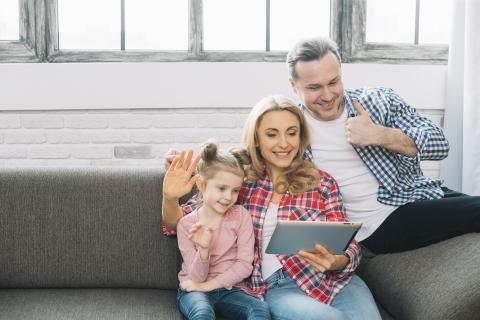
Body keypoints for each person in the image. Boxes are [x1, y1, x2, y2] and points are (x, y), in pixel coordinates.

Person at [163, 96, 382, 320]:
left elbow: (349, 243)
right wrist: (170, 198)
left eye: (291, 132)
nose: (284, 143)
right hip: (279, 287)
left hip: (338, 282)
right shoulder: (241, 182)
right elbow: (182, 222)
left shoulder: (322, 182)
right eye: (272, 134)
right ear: (257, 139)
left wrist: (337, 261)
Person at [285, 36, 480, 253]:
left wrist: (379, 135)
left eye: (333, 82)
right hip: (378, 224)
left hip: (417, 194)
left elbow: (439, 144)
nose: (328, 95)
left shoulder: (375, 100)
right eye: (314, 88)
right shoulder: (289, 130)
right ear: (294, 86)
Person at [164, 141, 271, 319]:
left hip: (231, 289)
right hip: (194, 290)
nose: (229, 197)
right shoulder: (186, 224)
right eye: (222, 188)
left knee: (260, 310)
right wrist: (204, 251)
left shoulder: (240, 216)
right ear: (202, 185)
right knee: (202, 312)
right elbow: (196, 279)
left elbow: (244, 265)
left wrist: (209, 285)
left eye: (235, 190)